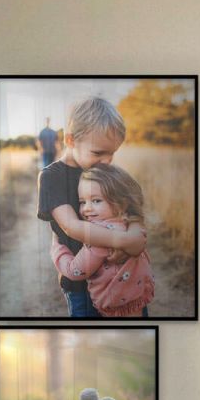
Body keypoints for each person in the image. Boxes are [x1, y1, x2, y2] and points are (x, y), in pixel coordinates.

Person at [37, 96, 147, 318]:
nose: (107, 160)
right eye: (98, 153)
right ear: (70, 140)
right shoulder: (52, 177)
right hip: (83, 286)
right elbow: (71, 226)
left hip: (124, 279)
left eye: (112, 153)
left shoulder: (104, 172)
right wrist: (124, 240)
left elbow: (132, 208)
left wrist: (136, 235)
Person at [50, 164, 154, 318]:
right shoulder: (130, 225)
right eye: (82, 202)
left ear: (120, 202)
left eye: (96, 201)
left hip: (115, 309)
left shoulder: (99, 238)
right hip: (137, 298)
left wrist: (57, 249)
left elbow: (75, 271)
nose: (87, 208)